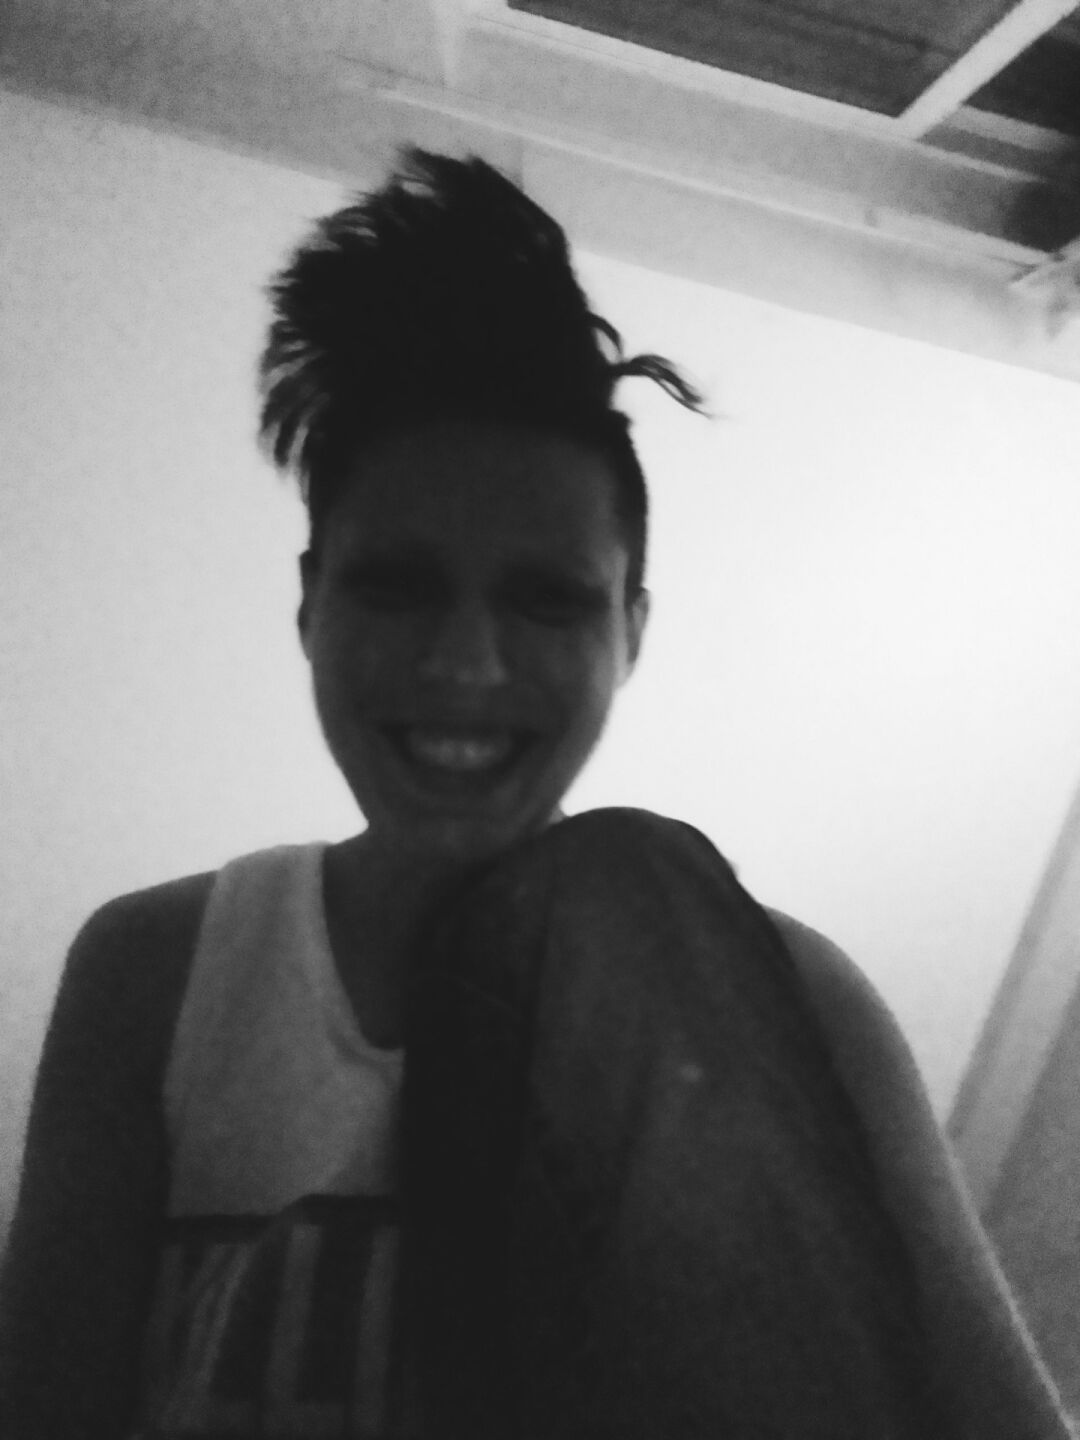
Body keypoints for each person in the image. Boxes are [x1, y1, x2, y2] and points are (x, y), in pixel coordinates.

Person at [0, 146, 1073, 1440]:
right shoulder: (157, 971)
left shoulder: (797, 995)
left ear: (632, 632)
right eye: (398, 584)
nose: (466, 664)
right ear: (309, 603)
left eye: (547, 600)